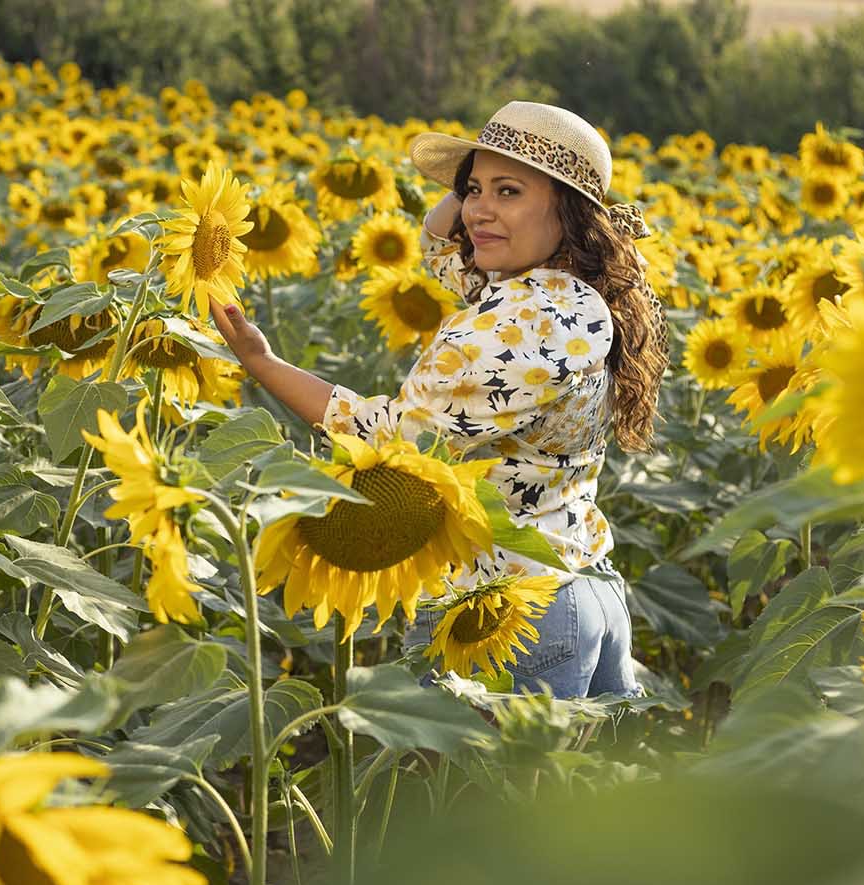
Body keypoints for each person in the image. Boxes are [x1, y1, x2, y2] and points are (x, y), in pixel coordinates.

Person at [207, 101, 669, 699]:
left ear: (571, 212)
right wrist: (486, 176)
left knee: (467, 792)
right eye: (472, 189)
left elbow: (396, 439)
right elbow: (438, 241)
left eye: (509, 192)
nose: (478, 211)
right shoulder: (563, 293)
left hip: (508, 610)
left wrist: (262, 364)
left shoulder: (528, 318)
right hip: (584, 584)